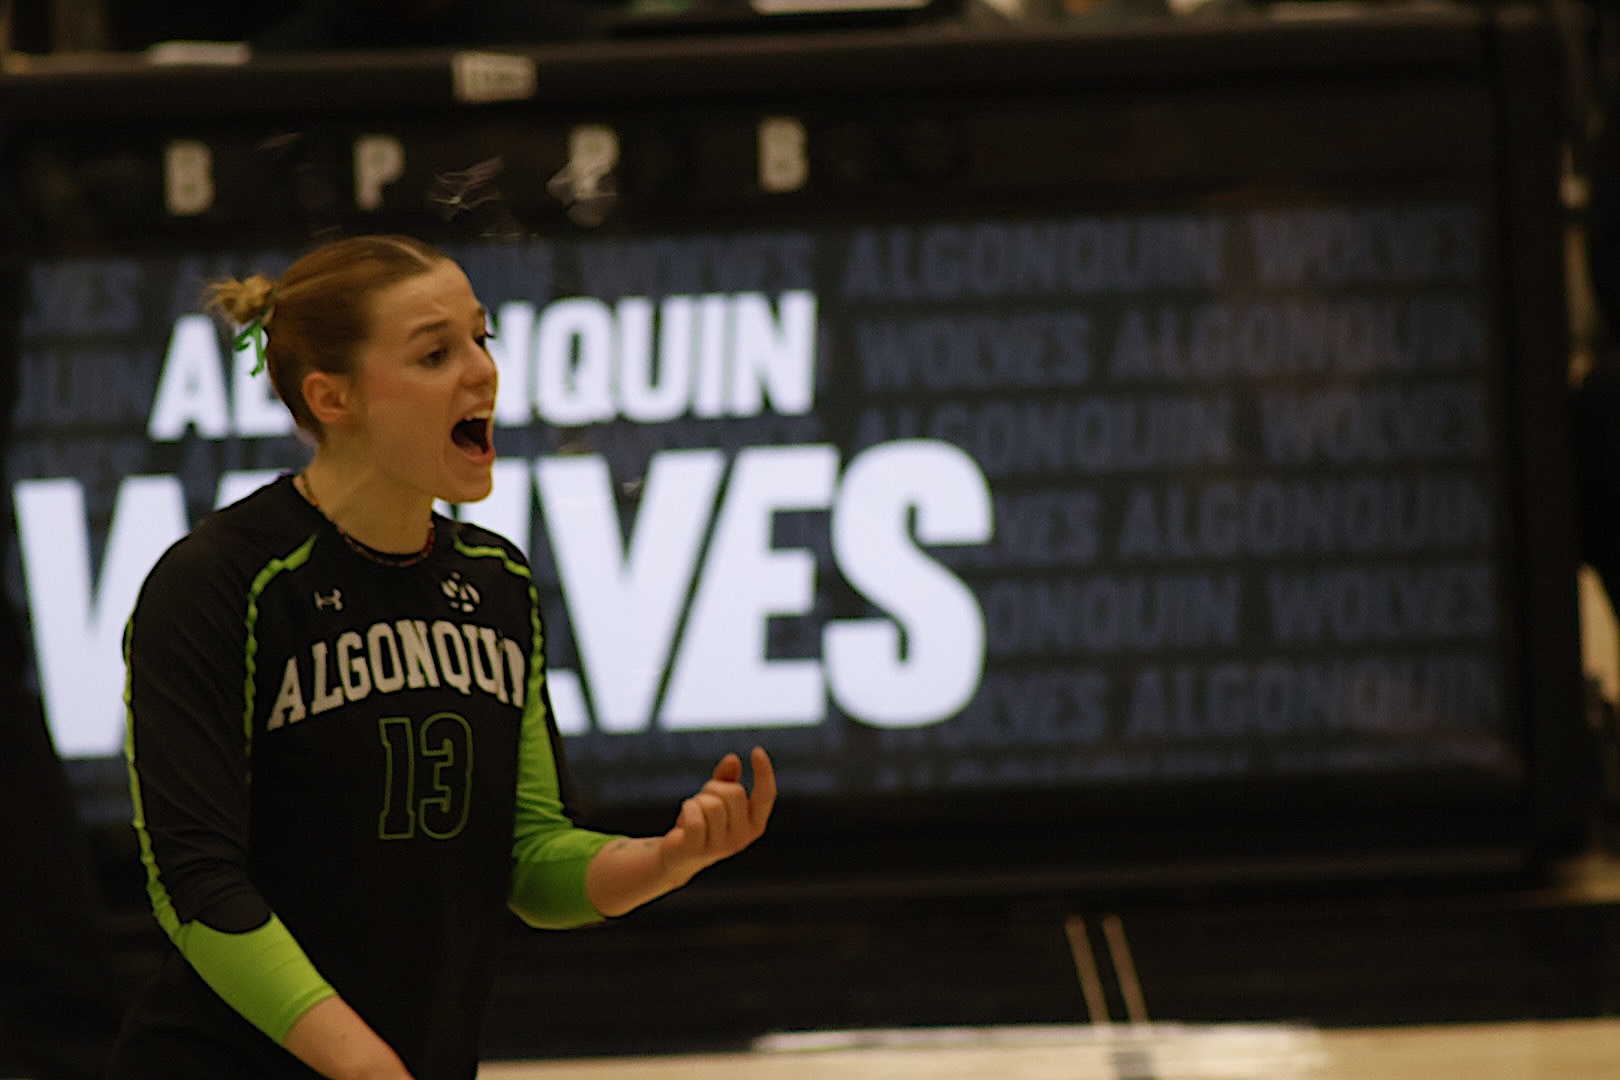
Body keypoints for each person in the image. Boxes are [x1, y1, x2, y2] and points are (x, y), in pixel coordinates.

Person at [108, 233, 776, 1080]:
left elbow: (531, 859)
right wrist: (363, 1064)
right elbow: (195, 888)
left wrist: (668, 858)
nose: (482, 371)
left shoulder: (496, 581)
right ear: (332, 396)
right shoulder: (219, 582)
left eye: (480, 338)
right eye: (435, 353)